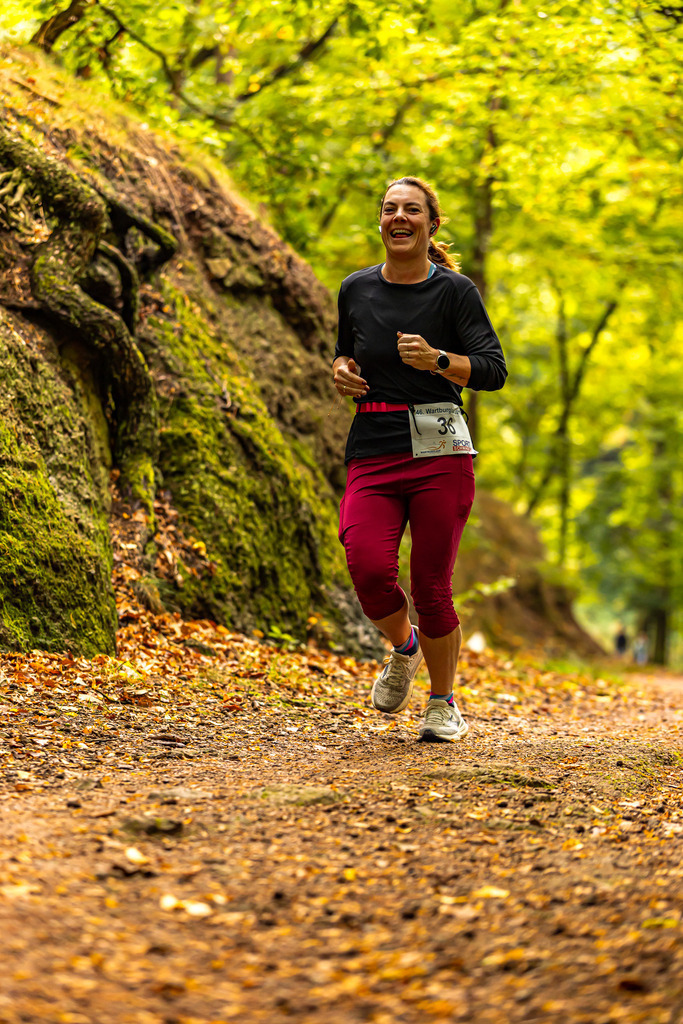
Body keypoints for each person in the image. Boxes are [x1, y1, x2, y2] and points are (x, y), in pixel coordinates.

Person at [332, 176, 507, 742]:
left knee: (432, 585)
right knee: (368, 567)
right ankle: (405, 648)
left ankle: (443, 702)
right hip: (375, 446)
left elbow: (493, 370)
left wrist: (438, 361)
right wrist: (340, 372)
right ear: (380, 221)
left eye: (412, 210)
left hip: (440, 447)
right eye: (390, 209)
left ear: (432, 224)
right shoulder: (355, 289)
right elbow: (345, 352)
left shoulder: (455, 292)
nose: (399, 217)